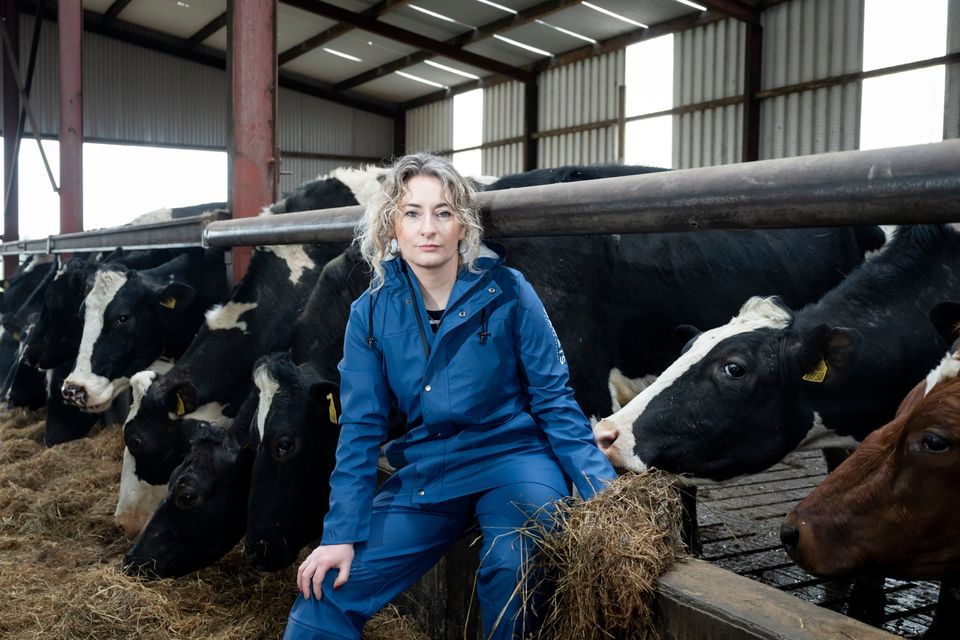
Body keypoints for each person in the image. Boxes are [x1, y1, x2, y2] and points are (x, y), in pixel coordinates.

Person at [284, 153, 617, 640]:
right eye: (412, 212)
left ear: (462, 224)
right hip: (428, 470)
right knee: (325, 595)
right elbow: (360, 427)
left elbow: (553, 398)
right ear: (391, 226)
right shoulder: (370, 313)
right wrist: (339, 535)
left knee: (513, 566)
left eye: (443, 212)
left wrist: (600, 491)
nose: (429, 227)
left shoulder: (508, 291)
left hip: (515, 460)